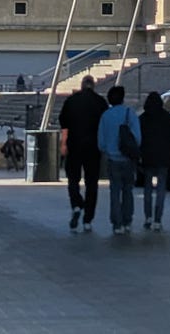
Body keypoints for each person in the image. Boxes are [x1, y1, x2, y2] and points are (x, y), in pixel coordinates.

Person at [59, 73, 106, 232]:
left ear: (81, 85)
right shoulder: (100, 102)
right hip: (93, 148)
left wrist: (63, 144)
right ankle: (88, 219)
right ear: (93, 85)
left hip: (74, 146)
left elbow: (65, 126)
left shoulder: (71, 101)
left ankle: (77, 204)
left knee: (73, 179)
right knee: (92, 183)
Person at [96, 85, 141, 234]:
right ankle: (127, 220)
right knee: (128, 190)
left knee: (114, 191)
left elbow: (101, 142)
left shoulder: (105, 116)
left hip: (112, 159)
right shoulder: (130, 113)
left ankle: (117, 223)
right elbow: (137, 138)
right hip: (128, 159)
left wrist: (108, 149)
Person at [137, 90, 170, 231]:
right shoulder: (166, 117)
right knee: (161, 188)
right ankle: (158, 219)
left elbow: (138, 138)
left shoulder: (143, 118)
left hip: (148, 156)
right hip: (163, 156)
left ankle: (148, 216)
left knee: (148, 188)